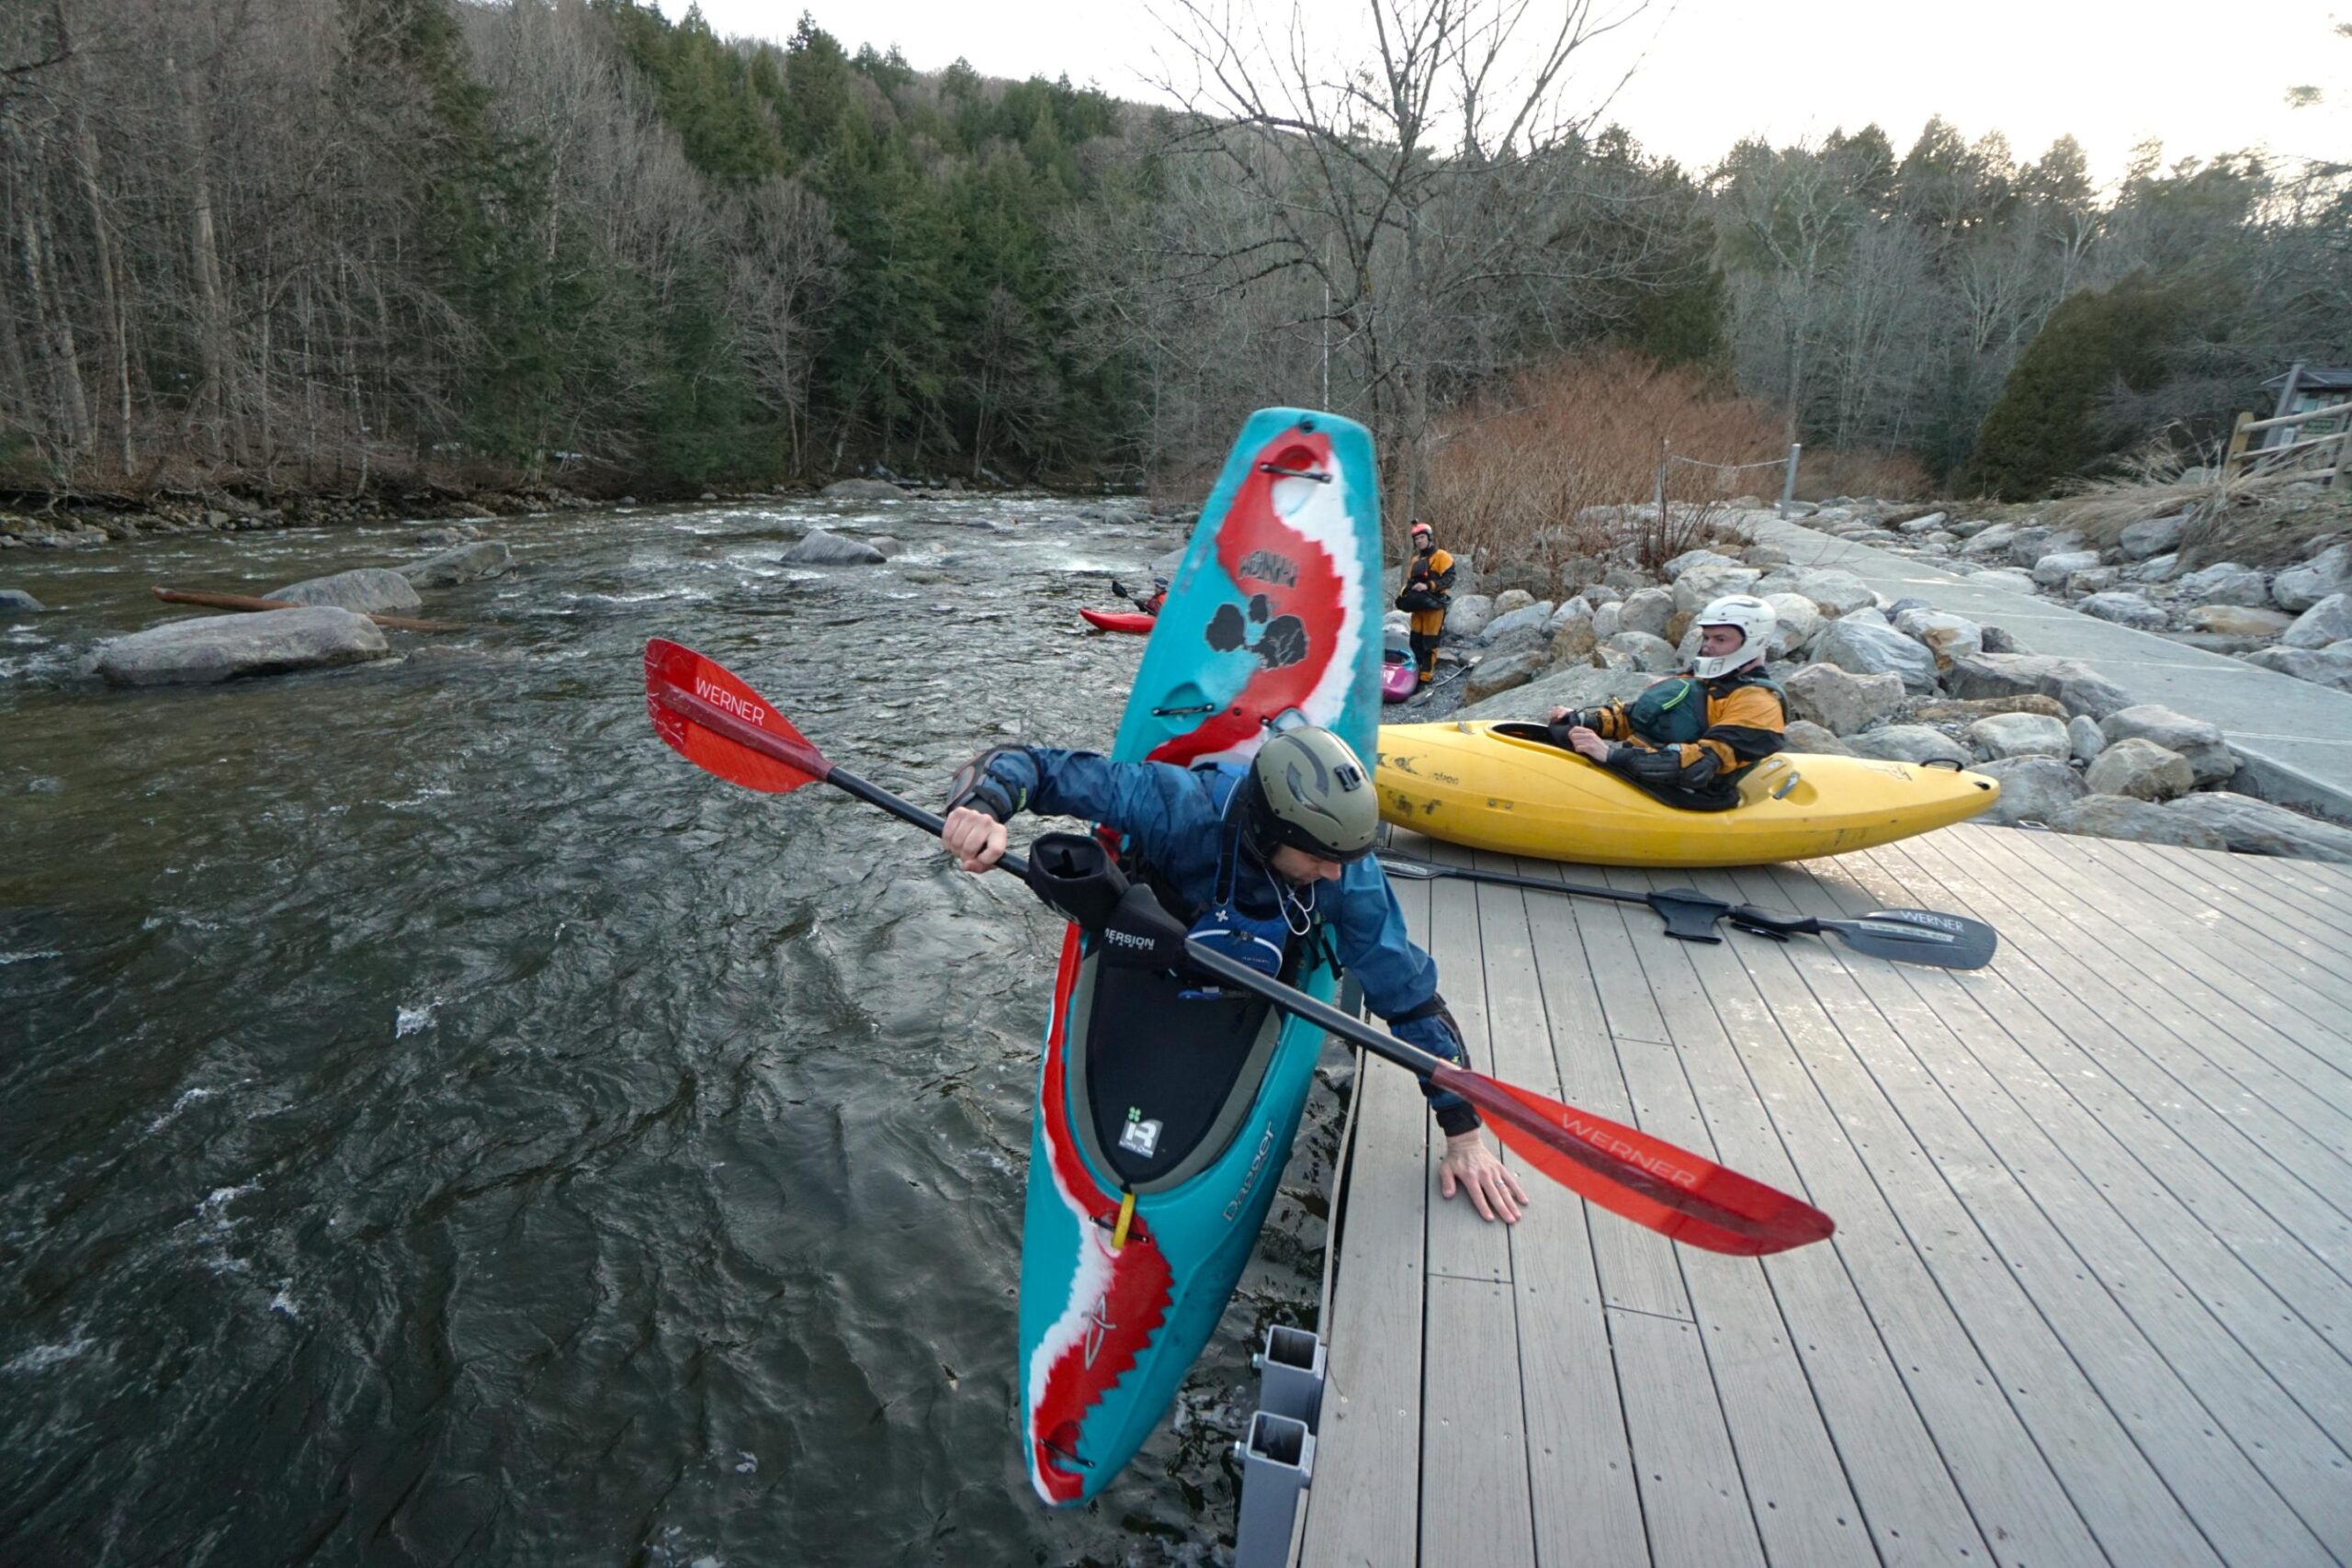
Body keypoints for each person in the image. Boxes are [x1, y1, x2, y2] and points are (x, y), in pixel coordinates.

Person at [938, 726, 1529, 1223]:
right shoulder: (1175, 802)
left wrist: (1463, 1134)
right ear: (1273, 834)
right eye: (1320, 857)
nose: (1332, 873)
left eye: (1344, 857)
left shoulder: (1350, 876)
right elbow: (1027, 766)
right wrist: (983, 809)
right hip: (1165, 931)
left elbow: (1412, 1002)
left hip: (1260, 959)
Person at [1547, 594, 1787, 809]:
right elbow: (1642, 717)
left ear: (1753, 642)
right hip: (1641, 773)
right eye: (1706, 638)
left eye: (1720, 639)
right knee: (1558, 732)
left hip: (1688, 794)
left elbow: (1699, 766)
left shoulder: (1759, 703)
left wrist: (1611, 756)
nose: (1708, 647)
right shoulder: (1701, 679)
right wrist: (1586, 721)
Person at [1393, 521, 1454, 685]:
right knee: (1415, 640)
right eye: (1416, 539)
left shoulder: (1442, 556)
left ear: (1429, 538)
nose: (1419, 541)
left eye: (1421, 537)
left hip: (1434, 606)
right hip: (1418, 607)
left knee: (1429, 642)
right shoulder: (1415, 560)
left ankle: (1426, 677)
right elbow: (1410, 581)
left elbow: (1449, 579)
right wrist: (1405, 594)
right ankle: (1416, 672)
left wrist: (1428, 585)